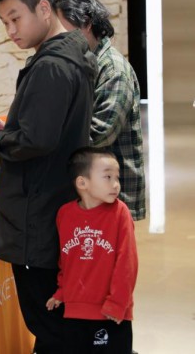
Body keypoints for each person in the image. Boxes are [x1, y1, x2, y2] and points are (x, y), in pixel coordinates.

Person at [0, 0, 97, 353]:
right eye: (4, 22)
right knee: (55, 324)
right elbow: (46, 130)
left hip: (37, 218)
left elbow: (37, 140)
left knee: (50, 324)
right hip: (53, 207)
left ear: (43, 8)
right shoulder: (70, 56)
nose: (11, 30)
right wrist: (10, 128)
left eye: (15, 18)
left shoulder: (51, 66)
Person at [52, 0, 146, 221]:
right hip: (93, 193)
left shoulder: (113, 70)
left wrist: (43, 140)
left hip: (113, 196)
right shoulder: (85, 63)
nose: (59, 39)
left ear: (86, 23)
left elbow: (99, 134)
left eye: (63, 30)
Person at [46, 147, 138, 353]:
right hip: (74, 312)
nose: (116, 184)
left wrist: (118, 303)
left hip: (111, 313)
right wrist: (62, 291)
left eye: (117, 177)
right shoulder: (65, 214)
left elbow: (127, 263)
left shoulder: (120, 213)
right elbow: (67, 260)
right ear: (82, 183)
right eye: (107, 177)